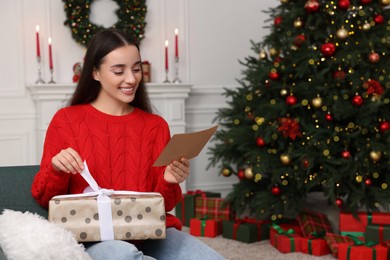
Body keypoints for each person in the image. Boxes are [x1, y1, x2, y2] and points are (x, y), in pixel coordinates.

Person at [31, 29, 225, 260]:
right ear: (95, 72)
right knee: (124, 254)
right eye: (118, 71)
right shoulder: (66, 120)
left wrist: (169, 181)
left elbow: (165, 206)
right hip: (91, 240)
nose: (131, 79)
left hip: (150, 234)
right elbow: (43, 198)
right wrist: (57, 169)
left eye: (136, 69)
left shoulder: (156, 126)